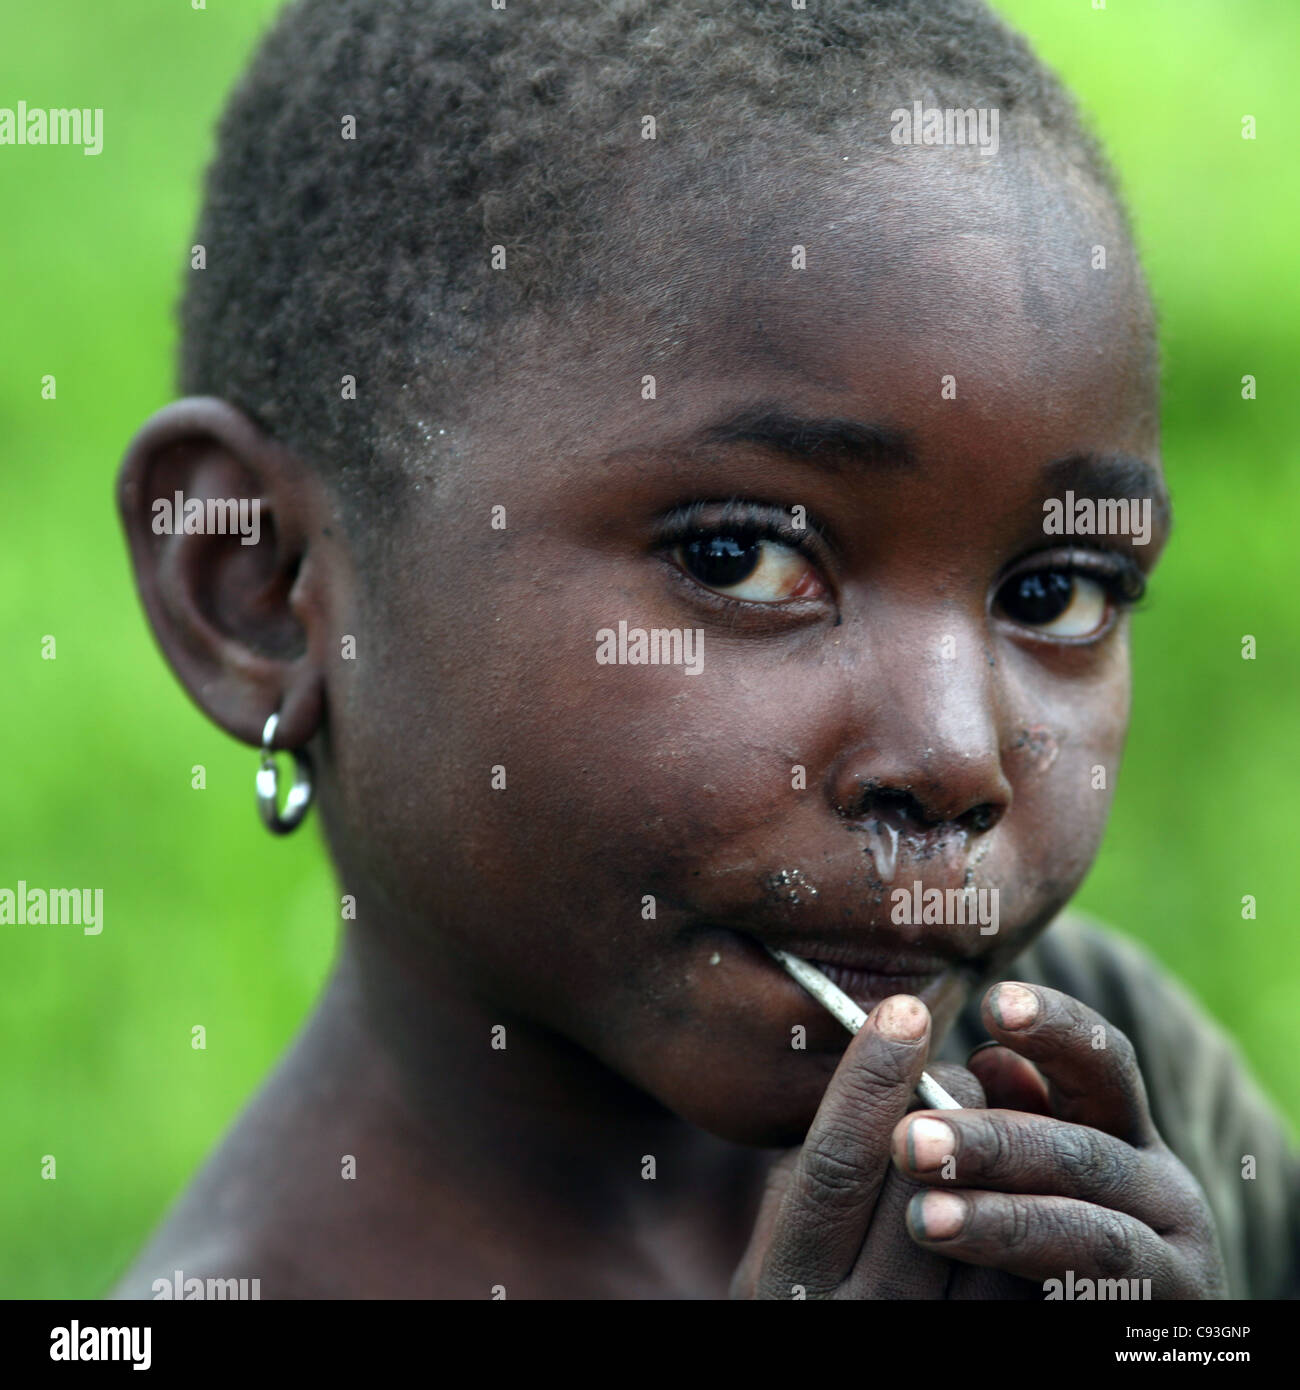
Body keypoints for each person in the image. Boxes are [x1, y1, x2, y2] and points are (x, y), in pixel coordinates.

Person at [110, 0, 1298, 1298]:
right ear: (261, 585)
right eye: (741, 558)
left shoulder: (1084, 1099)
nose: (959, 757)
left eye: (1060, 589)